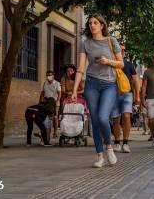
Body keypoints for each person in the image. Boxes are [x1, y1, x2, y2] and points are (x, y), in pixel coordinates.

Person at [72, 14, 123, 168]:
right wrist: (75, 90)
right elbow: (81, 68)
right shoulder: (85, 44)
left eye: (95, 23)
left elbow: (121, 63)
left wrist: (108, 61)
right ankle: (100, 156)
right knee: (94, 121)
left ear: (102, 25)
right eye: (90, 23)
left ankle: (109, 146)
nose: (92, 25)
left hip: (109, 85)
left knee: (102, 118)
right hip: (91, 85)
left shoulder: (111, 41)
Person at [111, 44, 140, 153]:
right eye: (119, 50)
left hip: (127, 94)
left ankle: (126, 143)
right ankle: (117, 142)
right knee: (116, 119)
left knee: (127, 116)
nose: (121, 52)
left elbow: (135, 80)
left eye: (123, 50)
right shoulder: (111, 64)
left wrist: (137, 95)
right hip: (113, 94)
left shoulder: (129, 65)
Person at [40, 70, 61, 138]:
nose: (48, 76)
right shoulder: (45, 83)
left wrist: (57, 101)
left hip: (54, 103)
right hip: (46, 102)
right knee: (46, 117)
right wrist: (40, 101)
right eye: (47, 75)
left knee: (55, 117)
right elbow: (42, 93)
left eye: (50, 75)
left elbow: (59, 93)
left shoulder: (57, 83)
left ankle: (55, 132)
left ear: (53, 76)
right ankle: (46, 132)